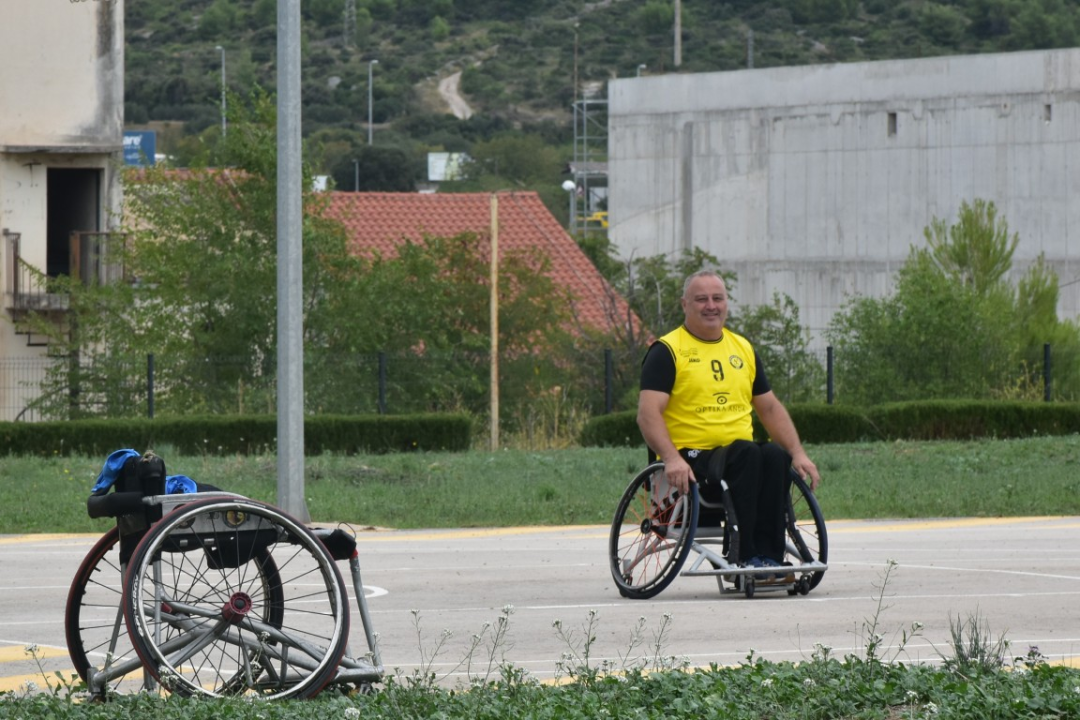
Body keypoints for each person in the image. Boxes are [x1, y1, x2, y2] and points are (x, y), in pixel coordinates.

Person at [637, 269, 820, 574]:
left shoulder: (742, 348)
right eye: (701, 299)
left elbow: (771, 409)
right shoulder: (667, 351)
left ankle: (770, 558)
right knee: (747, 453)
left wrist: (798, 452)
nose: (711, 305)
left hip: (737, 460)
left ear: (726, 303)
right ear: (685, 304)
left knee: (775, 455)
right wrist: (670, 458)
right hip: (690, 460)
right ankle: (744, 555)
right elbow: (647, 414)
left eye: (717, 298)